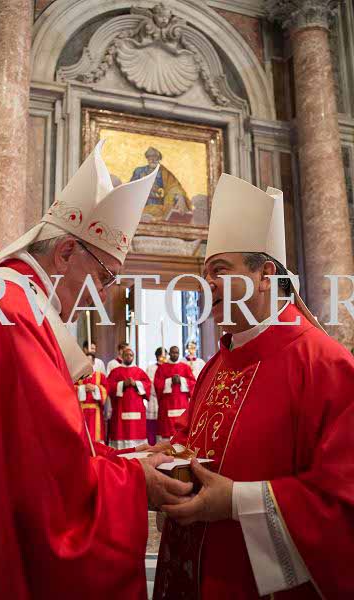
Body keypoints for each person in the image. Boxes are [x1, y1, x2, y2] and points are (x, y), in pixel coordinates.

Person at [0, 140, 193, 599]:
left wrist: (128, 459)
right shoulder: (14, 317)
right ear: (65, 252)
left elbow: (48, 452)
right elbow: (54, 492)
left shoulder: (6, 300)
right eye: (104, 277)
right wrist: (137, 483)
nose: (103, 296)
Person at [153, 175, 354, 599]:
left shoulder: (326, 365)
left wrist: (236, 502)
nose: (207, 285)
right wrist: (162, 459)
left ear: (265, 276)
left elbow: (342, 502)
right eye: (204, 274)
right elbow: (190, 440)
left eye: (219, 271)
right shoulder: (216, 364)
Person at [130, 146, 192, 221]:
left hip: (160, 209)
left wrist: (180, 197)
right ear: (147, 158)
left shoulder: (165, 173)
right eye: (150, 157)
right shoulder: (139, 171)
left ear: (159, 158)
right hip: (141, 207)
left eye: (155, 157)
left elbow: (173, 187)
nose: (152, 159)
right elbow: (131, 188)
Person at [108, 347, 152, 449]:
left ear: (133, 357)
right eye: (126, 355)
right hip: (120, 408)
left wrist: (135, 384)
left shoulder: (140, 371)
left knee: (136, 431)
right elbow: (109, 386)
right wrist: (123, 384)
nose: (128, 357)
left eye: (131, 355)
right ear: (122, 356)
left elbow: (148, 385)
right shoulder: (115, 372)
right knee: (121, 430)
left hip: (136, 408)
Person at [154, 345, 195, 441]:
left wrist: (182, 380)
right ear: (169, 353)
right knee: (167, 431)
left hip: (182, 403)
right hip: (167, 405)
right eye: (173, 352)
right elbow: (157, 385)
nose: (174, 354)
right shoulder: (162, 368)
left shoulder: (185, 367)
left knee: (182, 430)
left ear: (179, 353)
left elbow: (193, 383)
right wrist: (170, 381)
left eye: (176, 352)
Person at [76, 351, 109, 442]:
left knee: (96, 439)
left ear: (93, 363)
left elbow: (106, 390)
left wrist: (95, 388)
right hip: (81, 411)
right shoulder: (77, 376)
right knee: (83, 439)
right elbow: (71, 389)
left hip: (96, 411)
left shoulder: (101, 376)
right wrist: (82, 388)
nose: (87, 364)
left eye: (89, 361)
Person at [146, 346, 168, 445]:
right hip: (153, 399)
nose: (163, 358)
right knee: (152, 423)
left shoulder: (168, 368)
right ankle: (152, 443)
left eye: (165, 355)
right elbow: (148, 383)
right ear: (157, 356)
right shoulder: (151, 368)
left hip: (164, 399)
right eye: (160, 356)